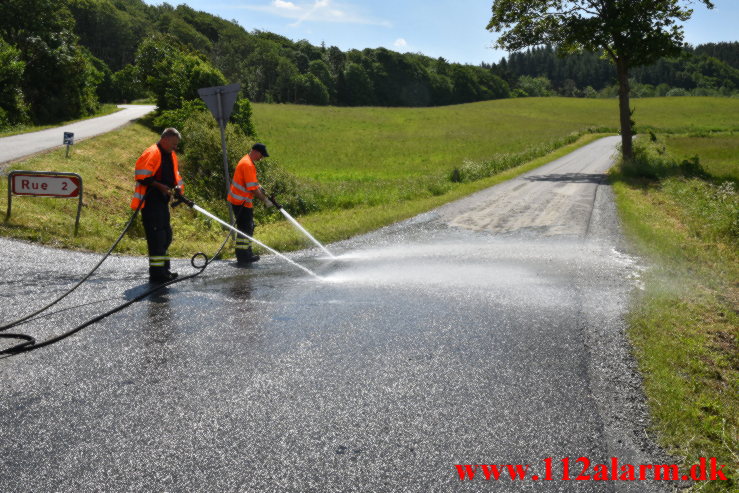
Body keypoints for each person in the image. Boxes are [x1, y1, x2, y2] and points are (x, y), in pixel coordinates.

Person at [130, 128, 184, 283]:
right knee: (157, 238)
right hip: (150, 202)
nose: (175, 148)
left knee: (166, 236)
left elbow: (175, 176)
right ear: (165, 139)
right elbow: (141, 176)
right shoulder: (152, 152)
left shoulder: (170, 155)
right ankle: (157, 274)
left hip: (162, 202)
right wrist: (160, 186)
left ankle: (164, 270)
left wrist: (178, 188)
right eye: (173, 144)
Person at [227, 143, 274, 265]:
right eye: (261, 155)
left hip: (241, 201)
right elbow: (252, 188)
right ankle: (243, 257)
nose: (261, 158)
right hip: (241, 202)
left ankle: (246, 254)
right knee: (245, 228)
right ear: (256, 152)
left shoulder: (246, 161)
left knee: (248, 227)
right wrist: (265, 200)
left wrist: (260, 188)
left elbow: (252, 183)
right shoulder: (247, 164)